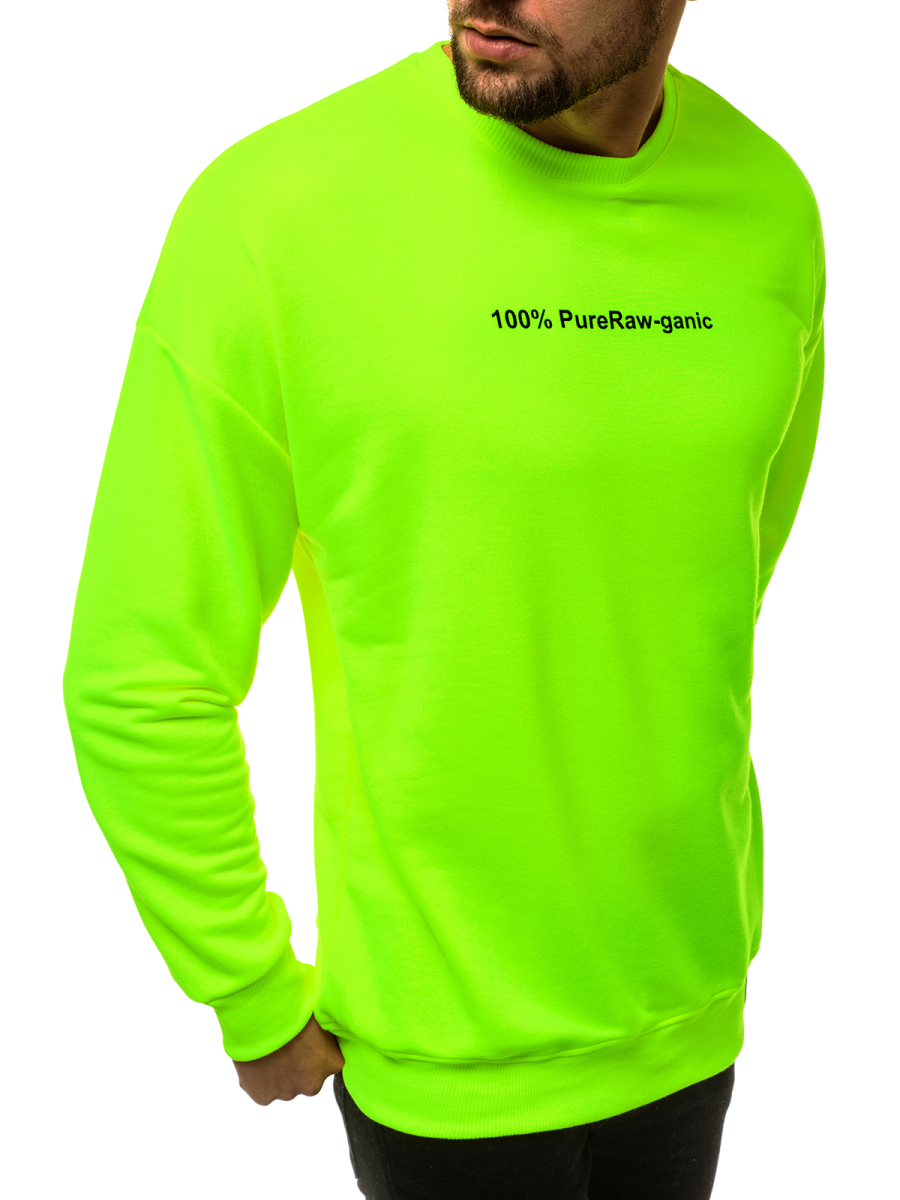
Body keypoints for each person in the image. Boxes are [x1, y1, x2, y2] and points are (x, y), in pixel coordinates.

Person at [63, 1, 825, 1196]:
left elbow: (719, 577)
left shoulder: (769, 205)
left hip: (690, 1018)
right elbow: (139, 671)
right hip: (443, 1063)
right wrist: (248, 984)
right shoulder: (277, 213)